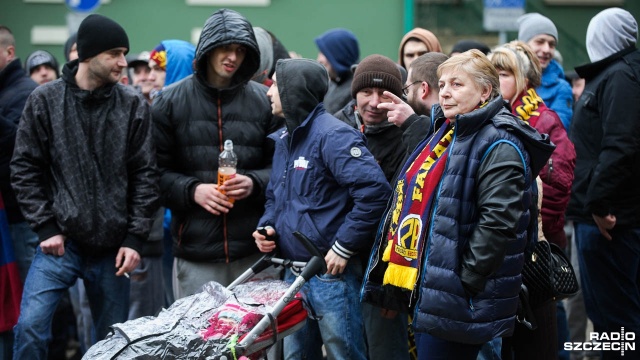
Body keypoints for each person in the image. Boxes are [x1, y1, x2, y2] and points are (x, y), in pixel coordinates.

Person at [361, 49, 554, 360]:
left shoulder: (500, 141)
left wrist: (467, 282)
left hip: (459, 296)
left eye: (457, 84)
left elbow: (498, 222)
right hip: (434, 289)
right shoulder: (448, 132)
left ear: (485, 91)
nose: (446, 92)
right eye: (443, 83)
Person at [10, 14, 159, 358]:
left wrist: (134, 238)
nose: (123, 62)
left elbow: (145, 175)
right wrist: (45, 226)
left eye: (125, 53)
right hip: (61, 242)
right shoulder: (45, 100)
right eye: (115, 53)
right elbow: (25, 167)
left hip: (113, 248)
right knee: (30, 327)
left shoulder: (132, 103)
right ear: (87, 55)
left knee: (112, 345)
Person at [254, 57, 391, 360]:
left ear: (294, 90)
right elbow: (277, 197)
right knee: (295, 357)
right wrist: (268, 226)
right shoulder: (285, 139)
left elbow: (375, 192)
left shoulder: (333, 135)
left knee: (345, 354)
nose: (268, 92)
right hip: (294, 274)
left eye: (275, 85)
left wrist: (344, 246)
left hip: (331, 276)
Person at [152, 9, 282, 300]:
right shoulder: (168, 102)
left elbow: (283, 168)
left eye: (240, 50)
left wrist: (254, 182)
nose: (233, 57)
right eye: (225, 48)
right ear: (208, 48)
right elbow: (153, 175)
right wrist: (193, 190)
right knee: (198, 342)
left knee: (256, 343)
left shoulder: (264, 101)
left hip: (254, 250)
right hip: (196, 252)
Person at [490, 40, 576, 360]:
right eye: (493, 73)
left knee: (546, 315)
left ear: (522, 79)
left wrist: (539, 231)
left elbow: (559, 181)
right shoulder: (498, 115)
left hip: (538, 242)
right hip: (512, 244)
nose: (497, 81)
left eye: (504, 74)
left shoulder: (542, 118)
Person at [568, 8, 640, 359]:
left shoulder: (620, 77)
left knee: (618, 323)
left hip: (609, 221)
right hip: (600, 216)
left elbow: (621, 145)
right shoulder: (614, 74)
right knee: (608, 319)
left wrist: (598, 205)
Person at [333, 54, 414, 360]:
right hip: (339, 264)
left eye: (385, 94)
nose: (375, 102)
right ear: (355, 94)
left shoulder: (407, 139)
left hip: (381, 270)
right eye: (367, 92)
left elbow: (401, 214)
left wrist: (390, 284)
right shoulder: (338, 131)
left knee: (384, 351)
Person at [379, 52, 449, 151]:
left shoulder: (450, 126)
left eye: (407, 89)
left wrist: (411, 123)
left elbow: (430, 159)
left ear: (424, 89)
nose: (406, 96)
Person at [518, 13, 573, 133]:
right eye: (540, 42)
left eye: (552, 44)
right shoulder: (507, 79)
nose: (546, 49)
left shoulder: (562, 88)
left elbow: (557, 130)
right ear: (523, 45)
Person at [314, 28, 360, 114]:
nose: (319, 59)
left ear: (340, 54)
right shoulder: (333, 83)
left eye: (324, 53)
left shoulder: (355, 91)